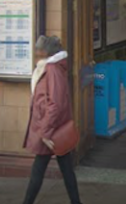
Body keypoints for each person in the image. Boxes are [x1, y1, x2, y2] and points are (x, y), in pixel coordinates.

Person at [22, 35, 82, 204]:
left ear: (46, 52)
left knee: (38, 170)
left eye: (38, 50)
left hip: (49, 129)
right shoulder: (48, 68)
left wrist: (45, 132)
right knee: (66, 169)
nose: (36, 53)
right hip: (51, 127)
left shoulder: (52, 70)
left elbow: (55, 103)